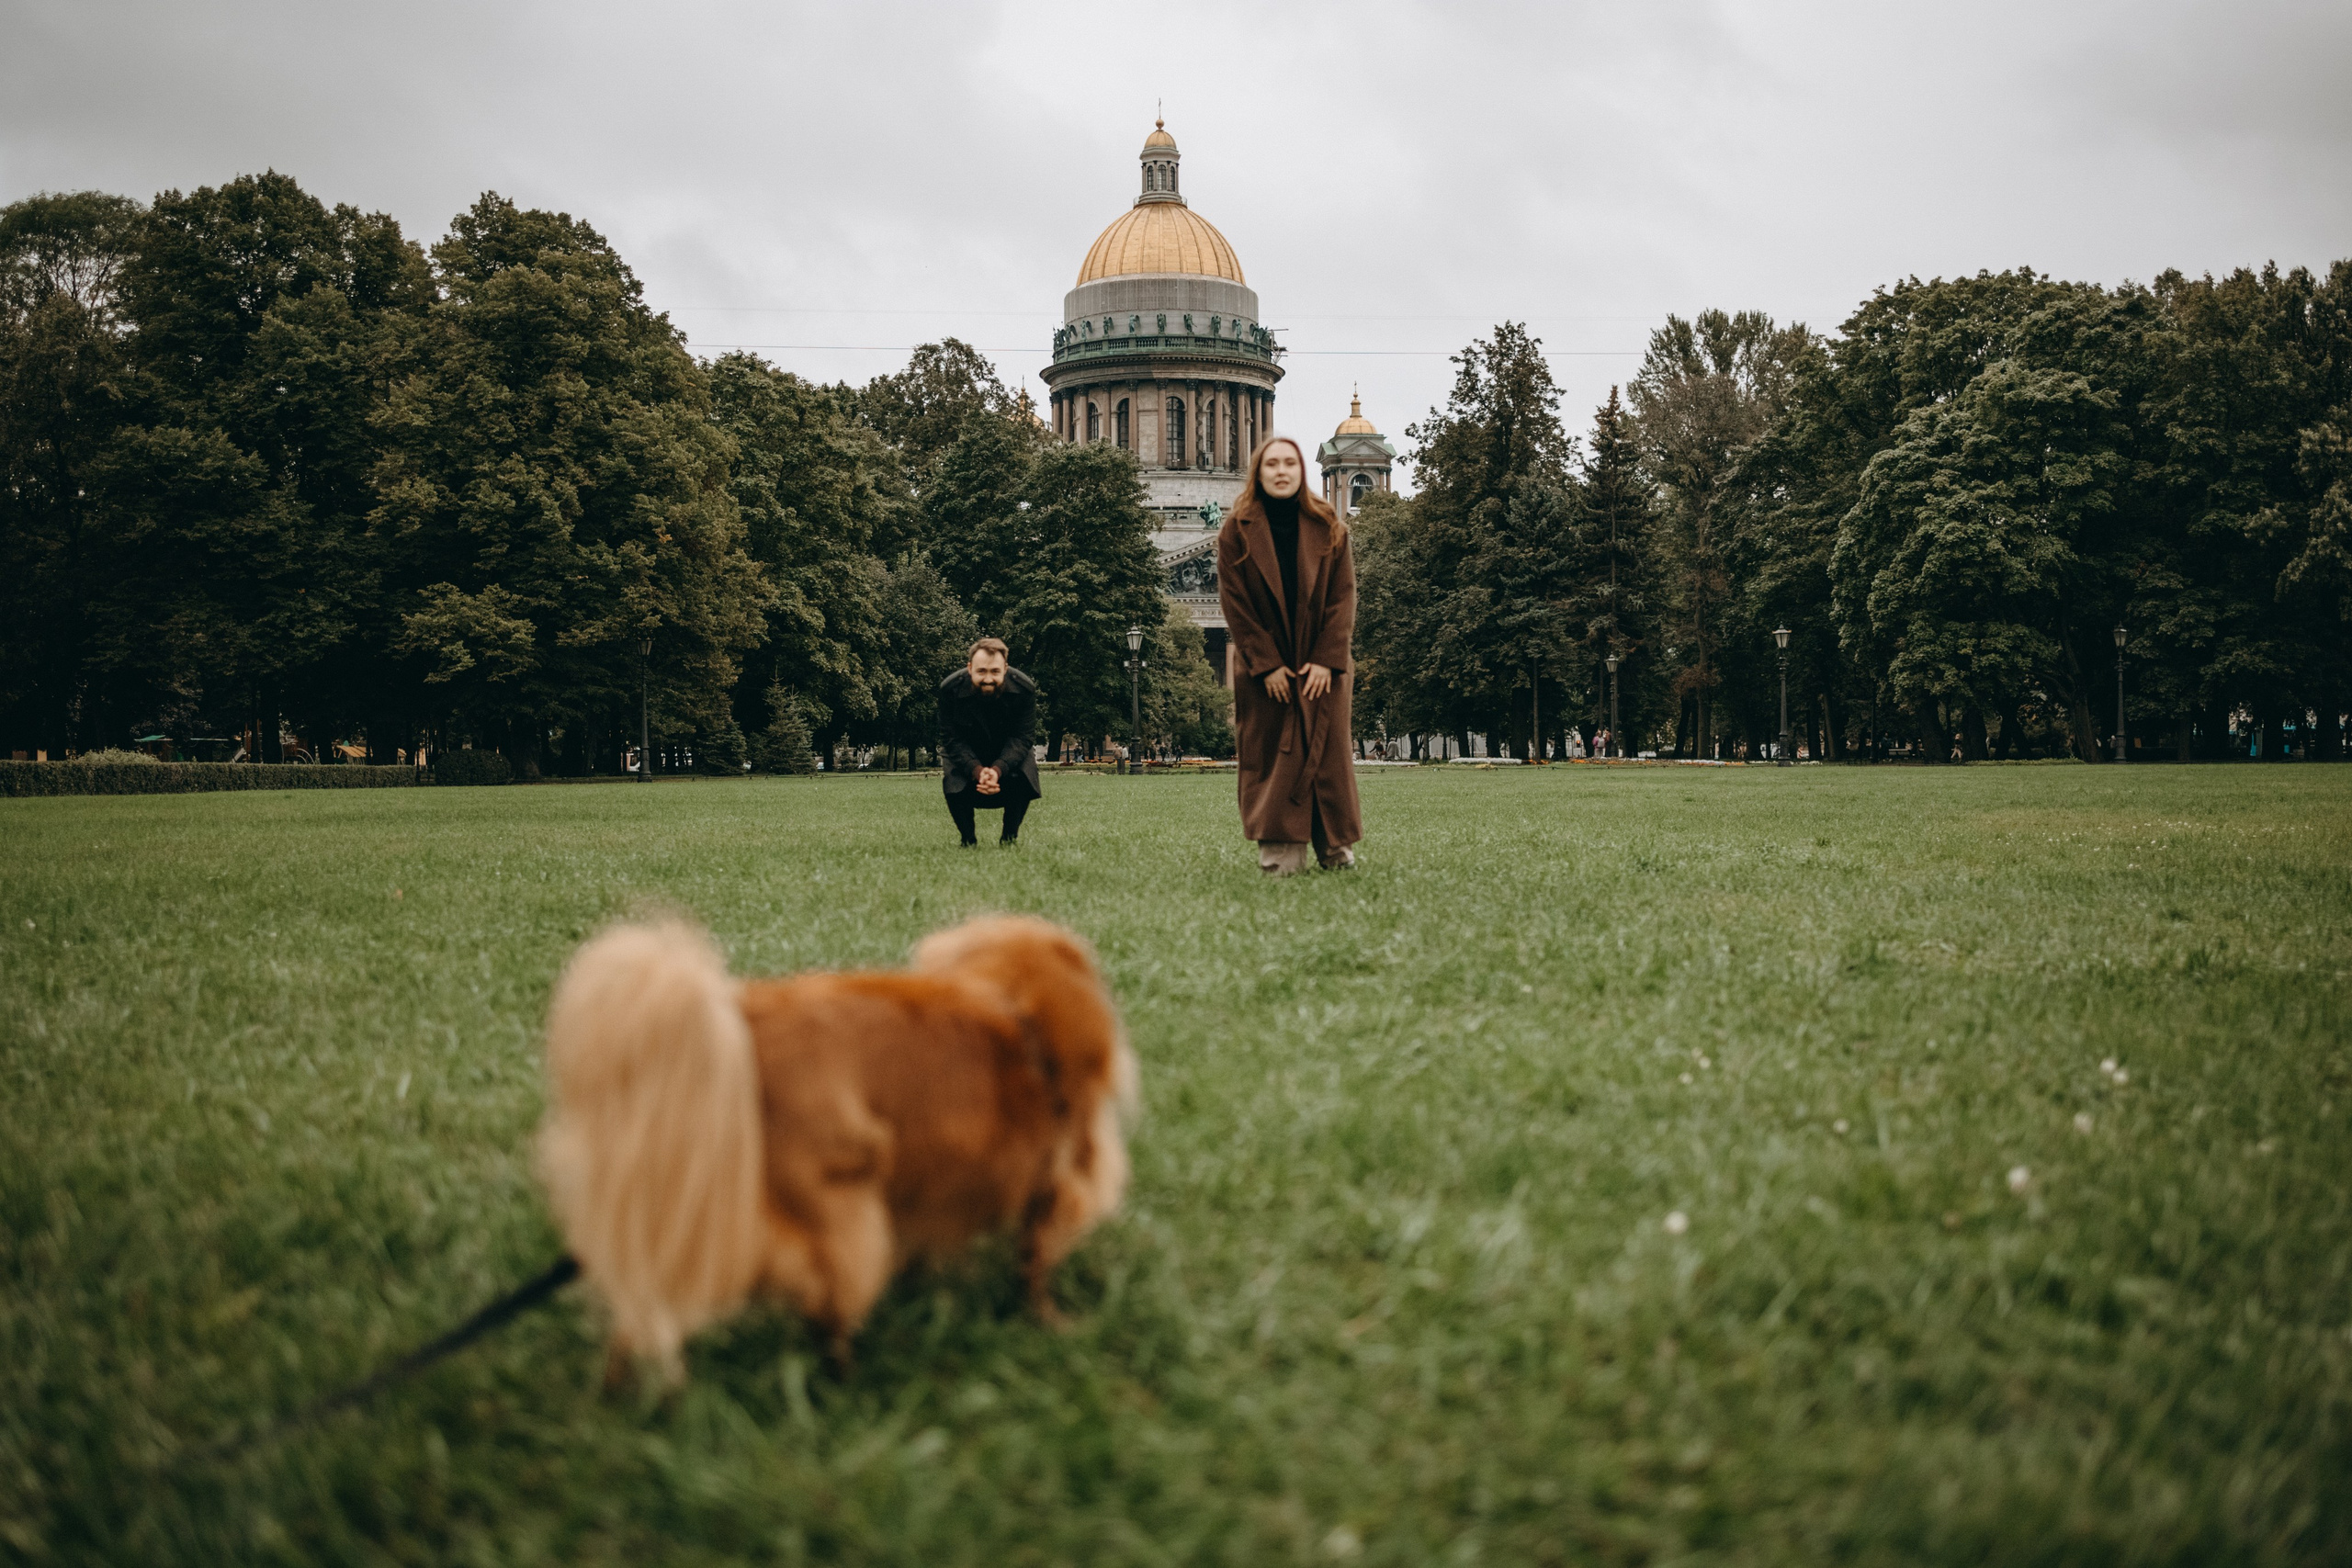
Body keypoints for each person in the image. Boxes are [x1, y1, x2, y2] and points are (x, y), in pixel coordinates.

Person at [1216, 435, 1363, 874]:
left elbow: (1343, 598)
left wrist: (1325, 659)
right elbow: (1236, 606)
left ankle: (1335, 848)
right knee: (1273, 760)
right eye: (1272, 464)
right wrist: (1267, 666)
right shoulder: (1235, 531)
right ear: (1258, 473)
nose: (1281, 471)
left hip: (1322, 667)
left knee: (1327, 758)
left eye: (1290, 464)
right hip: (1268, 669)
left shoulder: (1331, 527)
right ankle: (1280, 855)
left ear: (1301, 472)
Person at [937, 637, 1041, 846]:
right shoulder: (949, 690)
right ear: (969, 668)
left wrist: (997, 770)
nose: (988, 679)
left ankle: (1009, 839)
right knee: (952, 777)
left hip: (1007, 750)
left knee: (1026, 772)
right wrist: (977, 770)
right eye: (981, 671)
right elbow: (951, 739)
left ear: (1005, 668)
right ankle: (968, 840)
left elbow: (1022, 738)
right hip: (966, 750)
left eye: (995, 671)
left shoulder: (1025, 690)